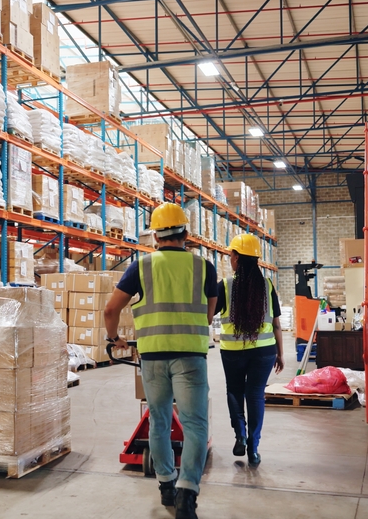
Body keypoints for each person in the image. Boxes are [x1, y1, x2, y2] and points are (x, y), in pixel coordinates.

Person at [104, 202, 217, 519]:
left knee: (160, 420)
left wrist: (115, 339)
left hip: (152, 357)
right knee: (195, 425)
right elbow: (208, 315)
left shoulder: (140, 267)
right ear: (186, 233)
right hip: (191, 357)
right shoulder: (204, 267)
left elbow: (111, 310)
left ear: (155, 235)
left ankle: (166, 484)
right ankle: (187, 493)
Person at [216, 233, 284, 467]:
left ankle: (240, 435)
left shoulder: (225, 286)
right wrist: (281, 354)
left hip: (232, 353)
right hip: (264, 352)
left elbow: (207, 314)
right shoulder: (267, 285)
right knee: (255, 395)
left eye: (230, 255)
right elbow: (276, 323)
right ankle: (253, 449)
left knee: (234, 391)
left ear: (235, 257)